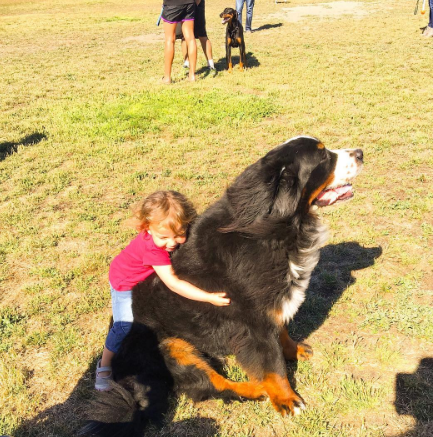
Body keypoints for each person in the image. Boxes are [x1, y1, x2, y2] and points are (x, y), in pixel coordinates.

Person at [95, 191, 230, 391]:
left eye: (179, 234)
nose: (172, 242)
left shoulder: (162, 237)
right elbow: (174, 283)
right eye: (164, 237)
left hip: (142, 274)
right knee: (123, 325)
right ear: (146, 228)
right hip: (123, 281)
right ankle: (104, 366)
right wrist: (207, 297)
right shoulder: (154, 252)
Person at [161, 0, 198, 83]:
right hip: (189, 3)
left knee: (170, 40)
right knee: (191, 38)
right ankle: (192, 76)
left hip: (172, 4)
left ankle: (167, 77)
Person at [181, 0, 215, 70]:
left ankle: (211, 64)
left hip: (197, 5)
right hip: (183, 6)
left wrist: (196, 4)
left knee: (202, 35)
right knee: (184, 36)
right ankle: (186, 63)